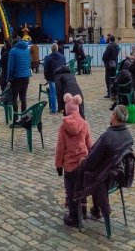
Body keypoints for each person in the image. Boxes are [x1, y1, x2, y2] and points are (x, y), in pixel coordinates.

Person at [71, 106, 135, 223]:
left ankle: (76, 213)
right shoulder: (128, 135)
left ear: (114, 116)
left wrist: (83, 161)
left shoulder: (107, 137)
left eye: (112, 114)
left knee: (77, 171)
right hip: (117, 176)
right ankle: (95, 209)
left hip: (104, 179)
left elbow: (90, 163)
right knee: (96, 168)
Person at [56, 94, 92, 227]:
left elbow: (60, 148)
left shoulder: (63, 127)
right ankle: (82, 211)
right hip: (82, 163)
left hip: (69, 166)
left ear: (66, 109)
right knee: (82, 187)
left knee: (70, 190)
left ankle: (73, 215)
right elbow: (89, 144)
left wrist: (58, 165)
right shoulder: (84, 123)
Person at [7, 40, 32, 112]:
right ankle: (24, 117)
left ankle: (15, 118)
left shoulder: (13, 51)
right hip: (26, 77)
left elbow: (10, 67)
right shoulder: (27, 50)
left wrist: (8, 79)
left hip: (16, 78)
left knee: (14, 98)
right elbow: (29, 62)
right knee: (23, 97)